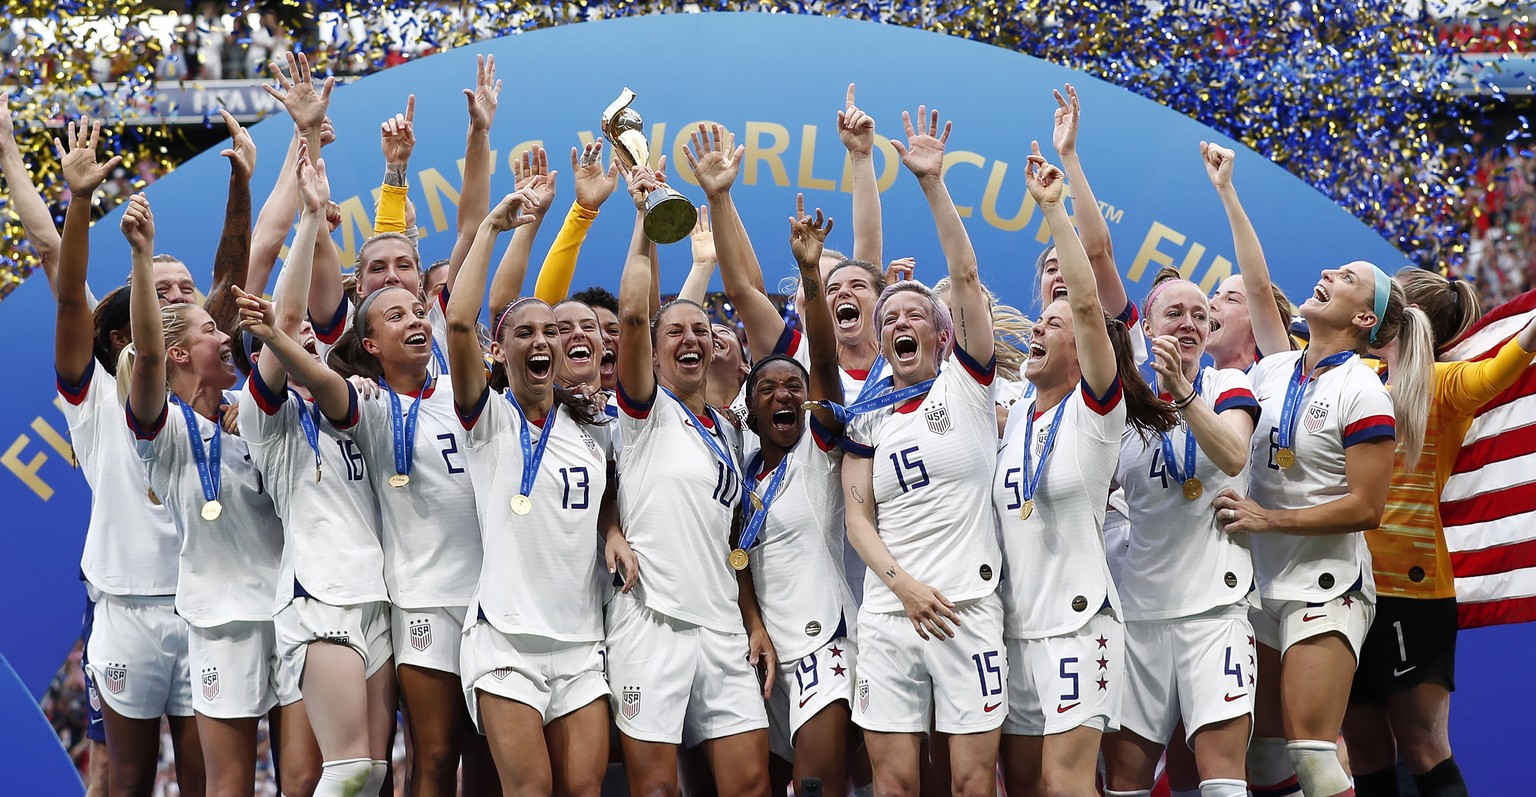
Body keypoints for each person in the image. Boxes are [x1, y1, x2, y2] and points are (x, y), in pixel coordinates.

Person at [1204, 141, 1435, 797]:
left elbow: (1368, 508)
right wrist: (1227, 192)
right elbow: (1255, 285)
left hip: (1326, 587)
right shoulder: (1277, 366)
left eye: (1349, 277)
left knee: (1310, 751)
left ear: (1364, 317)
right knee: (1265, 761)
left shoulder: (1364, 391)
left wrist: (1266, 516)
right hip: (1263, 583)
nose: (1330, 270)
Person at [994, 151, 1177, 797]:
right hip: (1015, 626)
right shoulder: (1010, 419)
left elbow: (1087, 298)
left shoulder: (1096, 414)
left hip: (1079, 624)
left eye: (1055, 322)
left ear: (1083, 348)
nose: (1039, 326)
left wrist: (1052, 208)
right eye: (1039, 321)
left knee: (1063, 785)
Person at [837, 106, 1001, 797]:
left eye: (913, 314)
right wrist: (900, 585)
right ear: (879, 344)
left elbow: (963, 276)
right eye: (888, 318)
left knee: (969, 783)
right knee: (894, 784)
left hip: (969, 605)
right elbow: (855, 517)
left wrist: (933, 184)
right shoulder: (866, 415)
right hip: (886, 611)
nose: (900, 321)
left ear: (940, 335)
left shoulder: (966, 383)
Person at [447, 185, 625, 797]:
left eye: (550, 331)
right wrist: (493, 228)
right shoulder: (488, 420)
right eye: (524, 333)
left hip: (580, 643)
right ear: (499, 350)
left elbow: (604, 497)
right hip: (505, 642)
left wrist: (613, 530)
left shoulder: (591, 432)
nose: (542, 341)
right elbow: (458, 320)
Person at [606, 160, 774, 797]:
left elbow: (732, 545)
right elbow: (629, 314)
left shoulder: (731, 433)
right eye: (672, 331)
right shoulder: (645, 414)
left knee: (751, 785)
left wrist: (753, 621)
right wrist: (646, 223)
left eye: (700, 329)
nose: (688, 338)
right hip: (654, 624)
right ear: (651, 352)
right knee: (655, 791)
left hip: (723, 626)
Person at [234, 142, 396, 797]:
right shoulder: (260, 413)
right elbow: (294, 319)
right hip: (317, 593)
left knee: (376, 773)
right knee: (348, 768)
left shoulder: (354, 404)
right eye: (288, 345)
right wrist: (307, 217)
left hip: (376, 592)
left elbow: (315, 330)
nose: (306, 347)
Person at [52, 119, 207, 797]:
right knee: (126, 783)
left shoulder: (219, 396)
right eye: (157, 298)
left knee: (212, 782)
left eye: (187, 295)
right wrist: (80, 203)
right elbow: (66, 294)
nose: (175, 307)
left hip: (210, 606)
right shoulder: (97, 396)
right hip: (126, 609)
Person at [1343, 270, 1535, 797]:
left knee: (1423, 748)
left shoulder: (1443, 385)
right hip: (1345, 587)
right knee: (1363, 749)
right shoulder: (1351, 374)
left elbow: (1504, 366)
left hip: (1412, 593)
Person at [122, 191, 287, 797]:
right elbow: (142, 356)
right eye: (213, 328)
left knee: (304, 778)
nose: (226, 336)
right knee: (229, 787)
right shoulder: (161, 432)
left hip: (291, 611)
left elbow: (265, 261)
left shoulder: (261, 409)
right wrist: (141, 258)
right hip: (220, 623)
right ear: (180, 354)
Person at [1101, 267, 1260, 797]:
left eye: (1201, 315)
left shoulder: (1226, 385)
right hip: (1140, 613)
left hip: (1216, 609)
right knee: (1126, 780)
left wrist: (1185, 394)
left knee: (1221, 779)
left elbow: (1234, 455)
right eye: (1175, 313)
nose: (1191, 323)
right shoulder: (1121, 406)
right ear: (1146, 328)